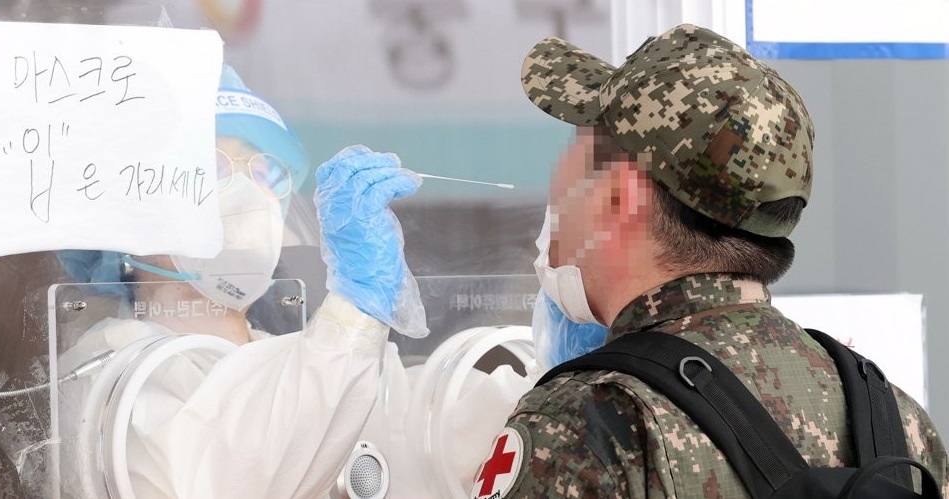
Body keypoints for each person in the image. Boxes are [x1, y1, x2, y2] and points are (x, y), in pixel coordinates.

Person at [470, 24, 949, 498]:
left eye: (576, 148)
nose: (557, 177)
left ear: (620, 196)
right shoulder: (898, 421)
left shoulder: (585, 429)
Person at [48, 65, 427, 498]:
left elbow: (434, 425)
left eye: (264, 173)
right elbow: (231, 476)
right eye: (212, 166)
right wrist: (354, 311)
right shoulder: (108, 372)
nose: (249, 194)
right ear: (132, 215)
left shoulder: (287, 352)